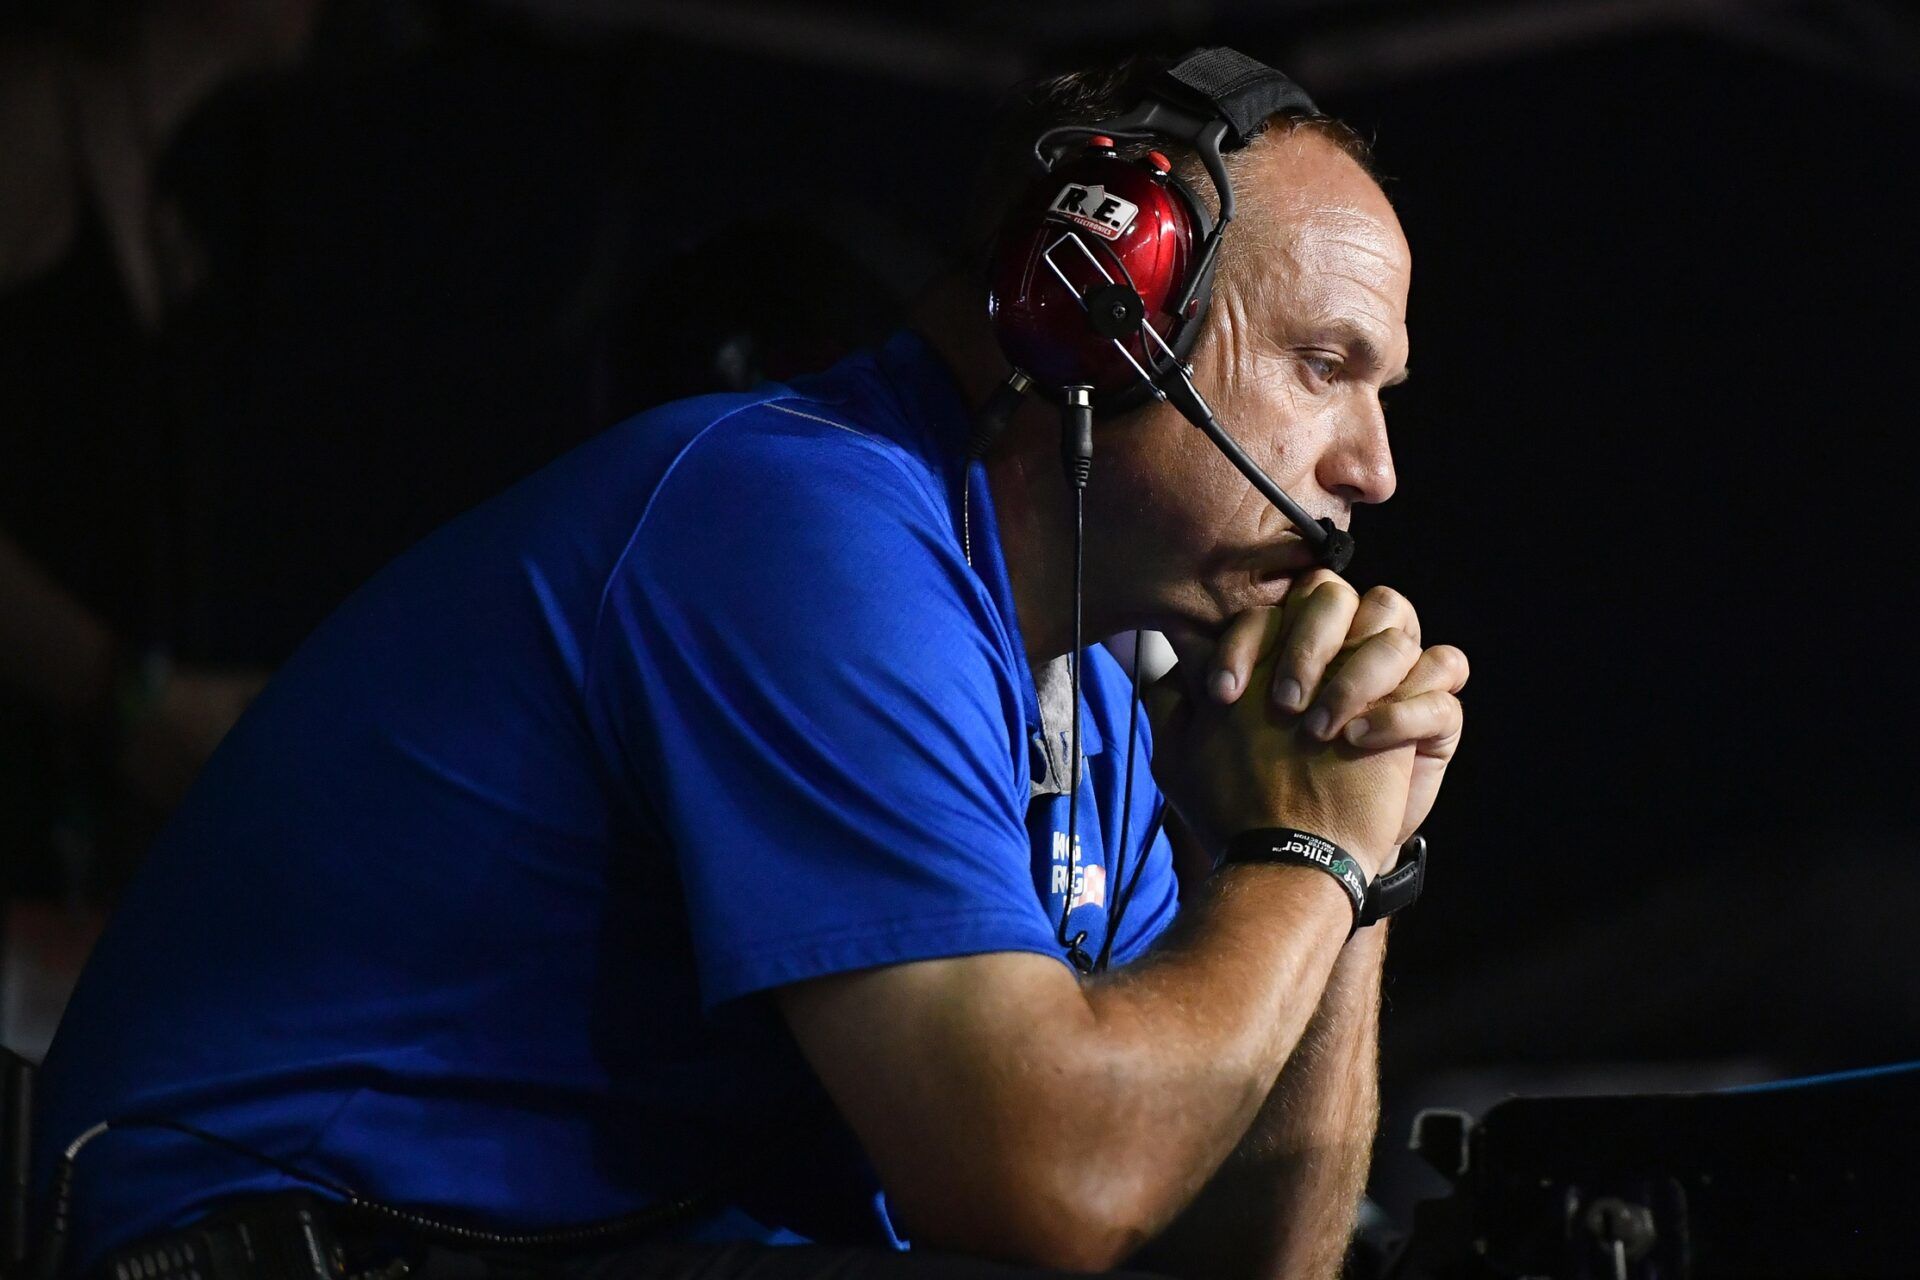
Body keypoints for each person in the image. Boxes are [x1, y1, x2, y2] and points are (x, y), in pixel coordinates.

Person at [31, 49, 1466, 1280]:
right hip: (279, 1243)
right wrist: (1302, 857)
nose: (1375, 470)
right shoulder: (800, 528)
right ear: (1090, 310)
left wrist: (1357, 848)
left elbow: (1248, 1260)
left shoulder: (1089, 683)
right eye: (1325, 367)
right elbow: (1053, 1182)